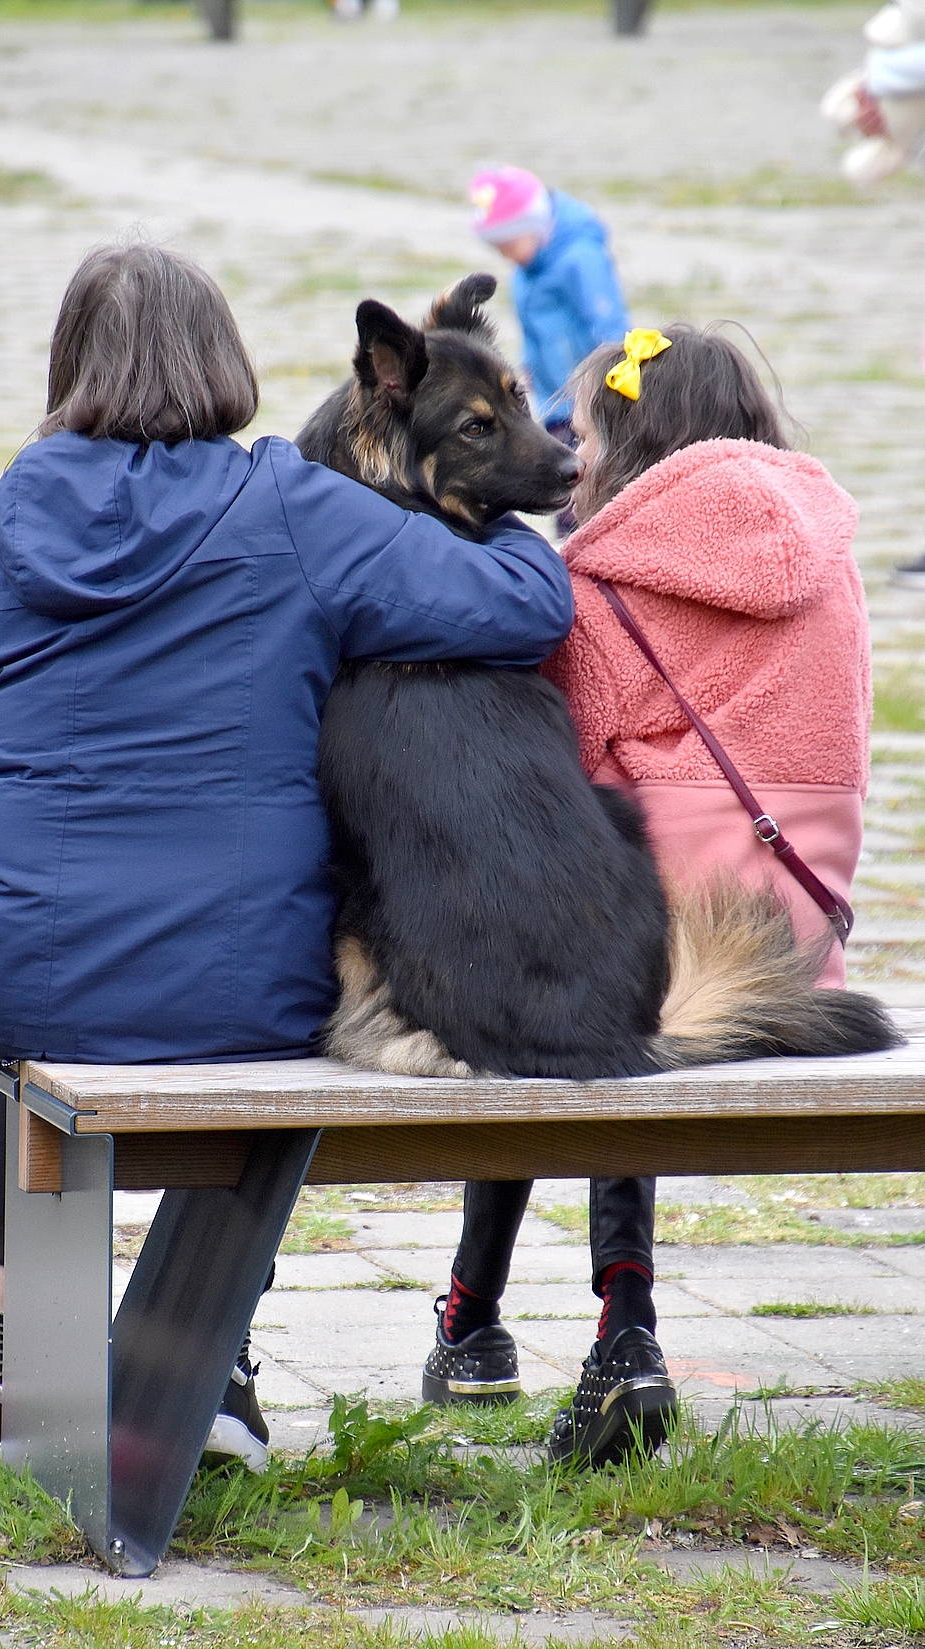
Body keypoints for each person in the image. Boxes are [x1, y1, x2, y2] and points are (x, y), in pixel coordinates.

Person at [0, 243, 575, 1482]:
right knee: (228, 1006)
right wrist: (511, 517)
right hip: (239, 983)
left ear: (68, 370)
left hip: (8, 965)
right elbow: (525, 611)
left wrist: (19, 852)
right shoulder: (294, 508)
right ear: (223, 364)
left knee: (28, 995)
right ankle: (211, 1369)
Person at [423, 324, 871, 1471]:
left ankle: (567, 1319)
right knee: (590, 957)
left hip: (669, 955)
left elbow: (548, 785)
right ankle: (527, 1318)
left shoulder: (597, 583)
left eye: (580, 434)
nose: (568, 459)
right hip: (793, 938)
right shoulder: (827, 553)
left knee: (551, 963)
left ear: (625, 443)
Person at [468, 166, 629, 452]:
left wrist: (612, 386)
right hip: (552, 401)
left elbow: (609, 323)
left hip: (590, 400)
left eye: (508, 244)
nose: (505, 254)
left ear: (532, 226)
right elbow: (531, 330)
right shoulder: (524, 274)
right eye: (498, 247)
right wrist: (528, 366)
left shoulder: (580, 260)